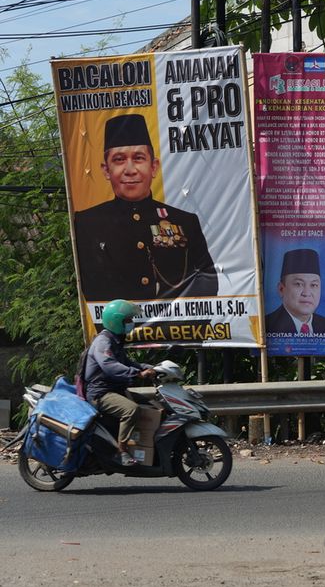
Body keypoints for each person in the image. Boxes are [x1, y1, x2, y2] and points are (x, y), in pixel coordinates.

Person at [73, 113, 218, 302]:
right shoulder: (86, 223)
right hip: (118, 329)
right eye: (119, 160)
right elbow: (89, 284)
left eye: (139, 158)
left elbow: (208, 281)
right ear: (106, 170)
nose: (130, 169)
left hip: (179, 329)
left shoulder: (185, 221)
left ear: (154, 167)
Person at [82, 299, 156, 467]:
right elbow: (110, 366)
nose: (132, 323)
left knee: (152, 405)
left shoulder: (115, 340)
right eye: (128, 320)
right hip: (100, 393)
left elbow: (127, 362)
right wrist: (138, 373)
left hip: (114, 390)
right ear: (116, 321)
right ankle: (121, 452)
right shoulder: (103, 342)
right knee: (131, 410)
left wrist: (151, 368)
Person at [265, 248, 325, 335]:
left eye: (313, 285)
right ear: (281, 289)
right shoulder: (266, 327)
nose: (306, 293)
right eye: (298, 284)